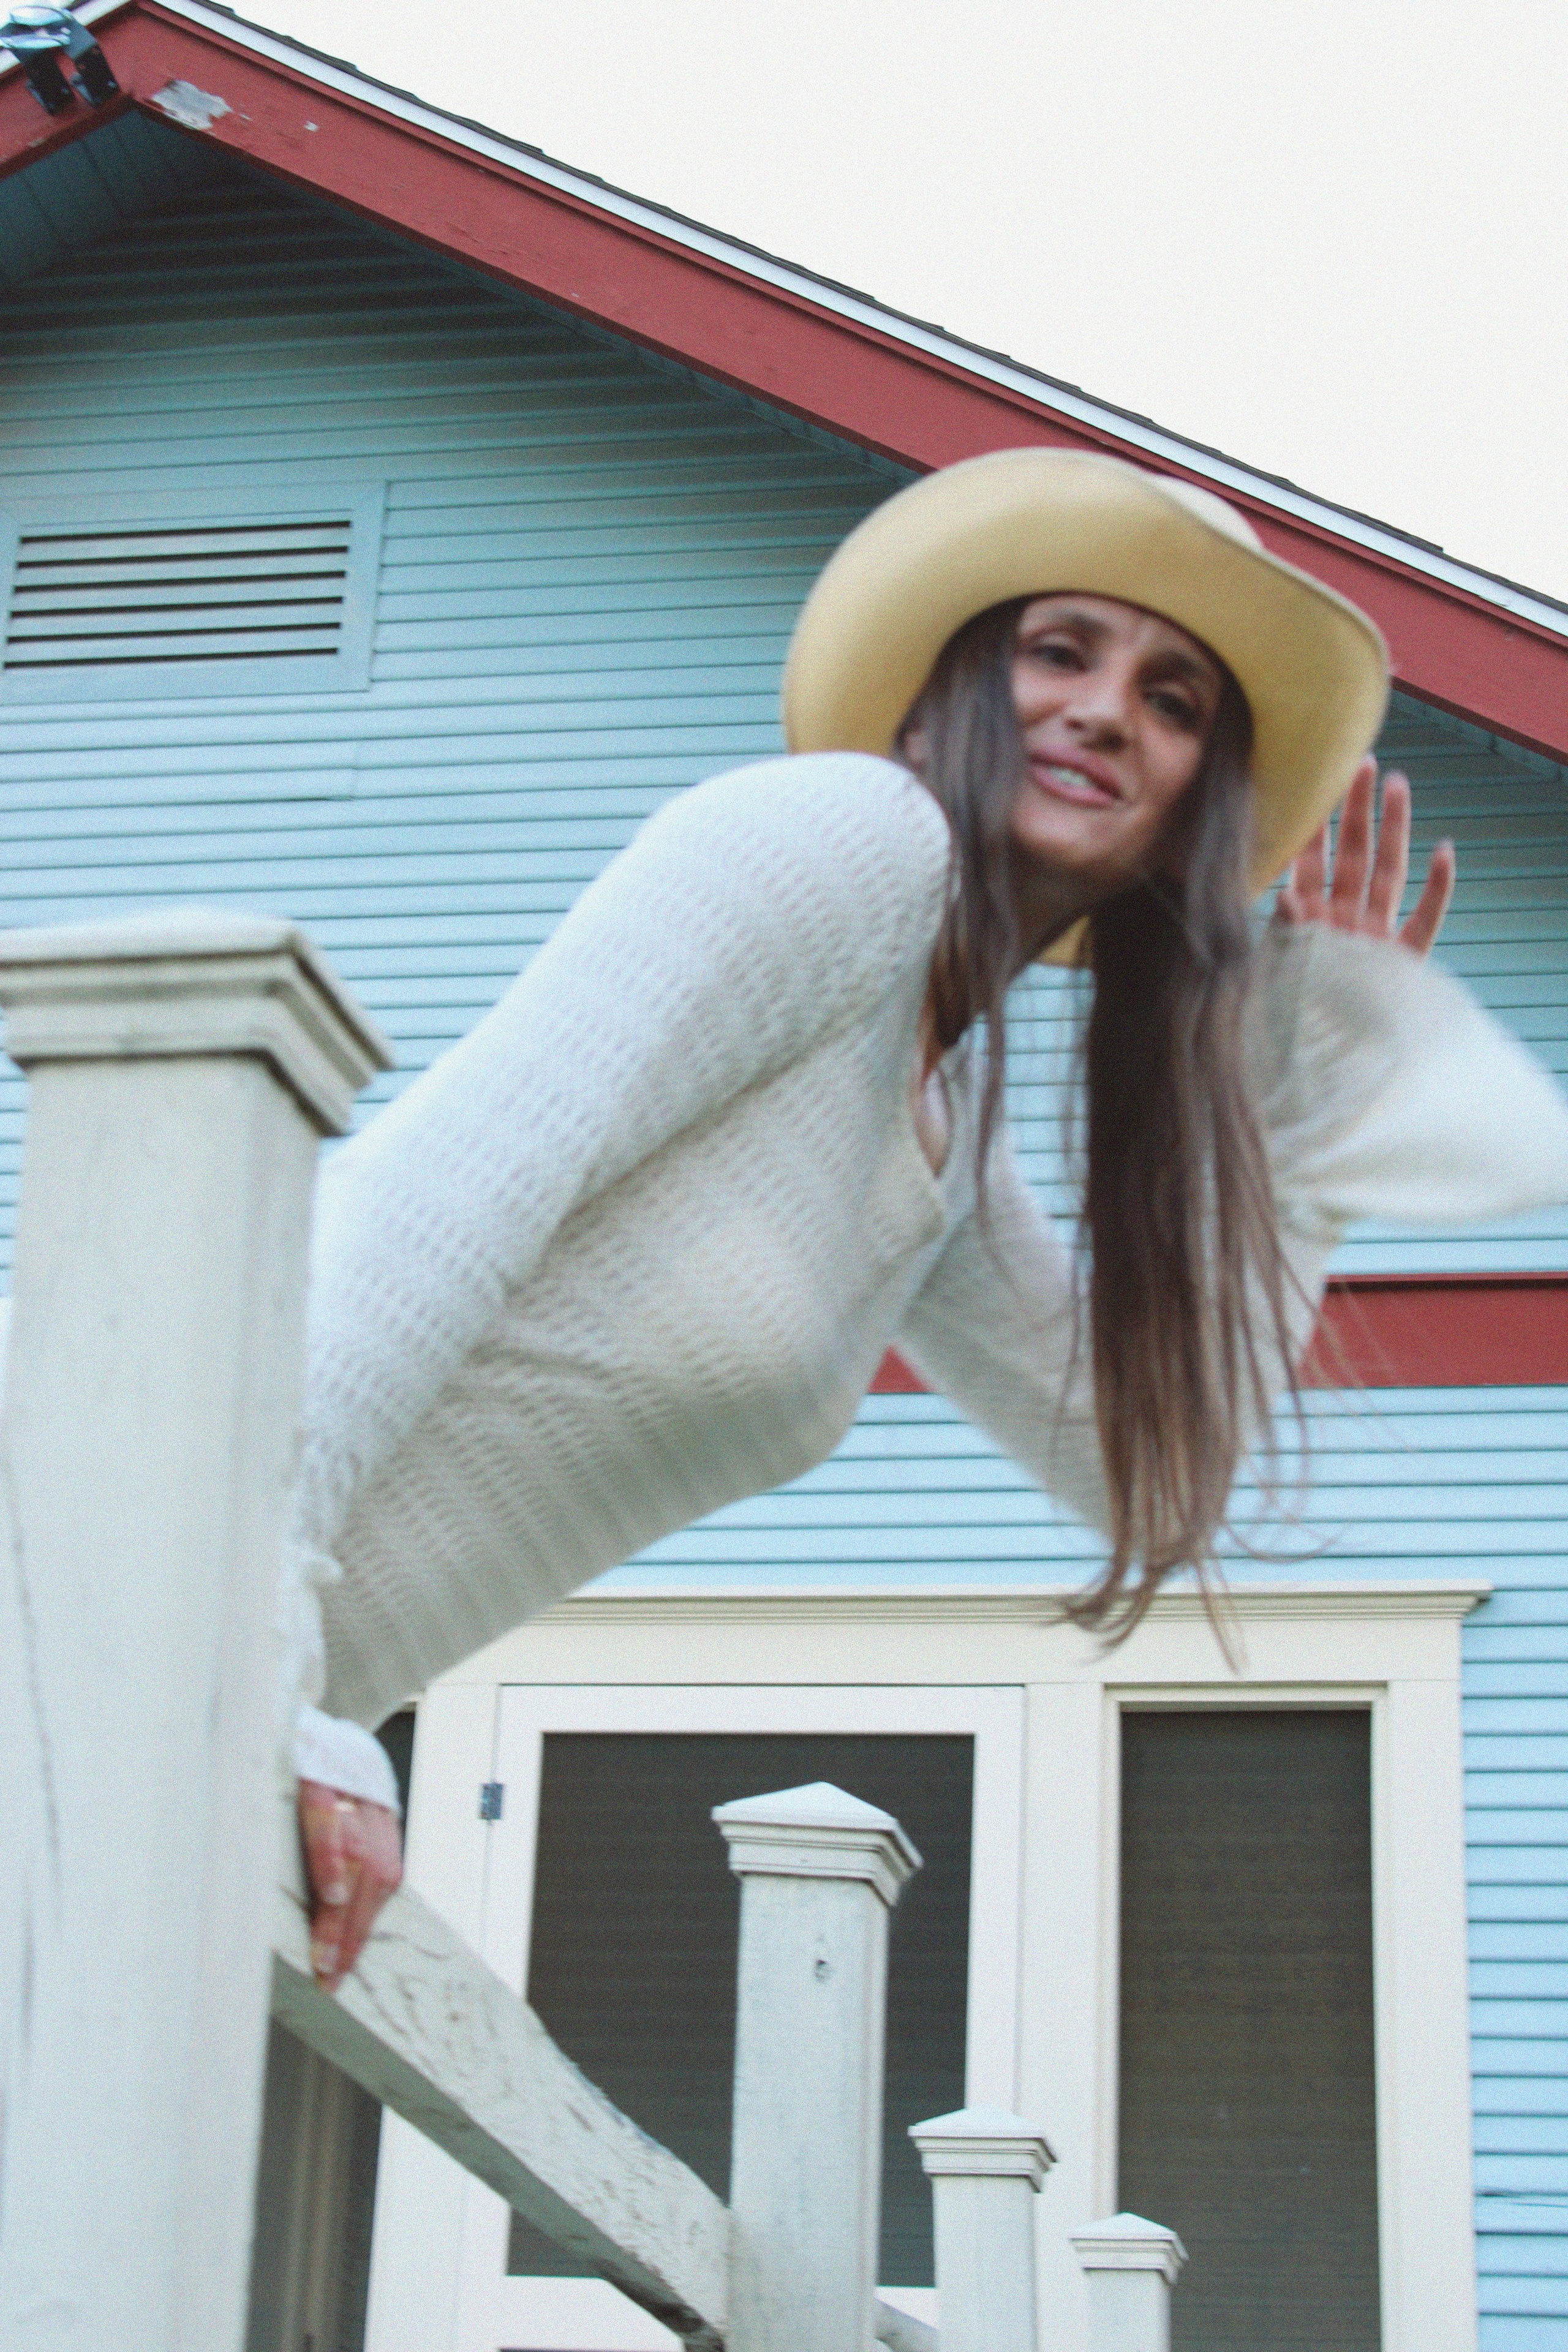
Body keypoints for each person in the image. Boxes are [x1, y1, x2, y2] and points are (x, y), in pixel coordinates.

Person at [287, 450, 1568, 1988]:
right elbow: (413, 1216)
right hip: (138, 1581)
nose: (1104, 710)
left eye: (1171, 701)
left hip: (216, 1681)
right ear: (946, 696)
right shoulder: (842, 840)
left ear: (1190, 819)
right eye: (1058, 652)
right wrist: (260, 1659)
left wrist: (1310, 1109)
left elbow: (1147, 1473)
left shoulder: (946, 1124)